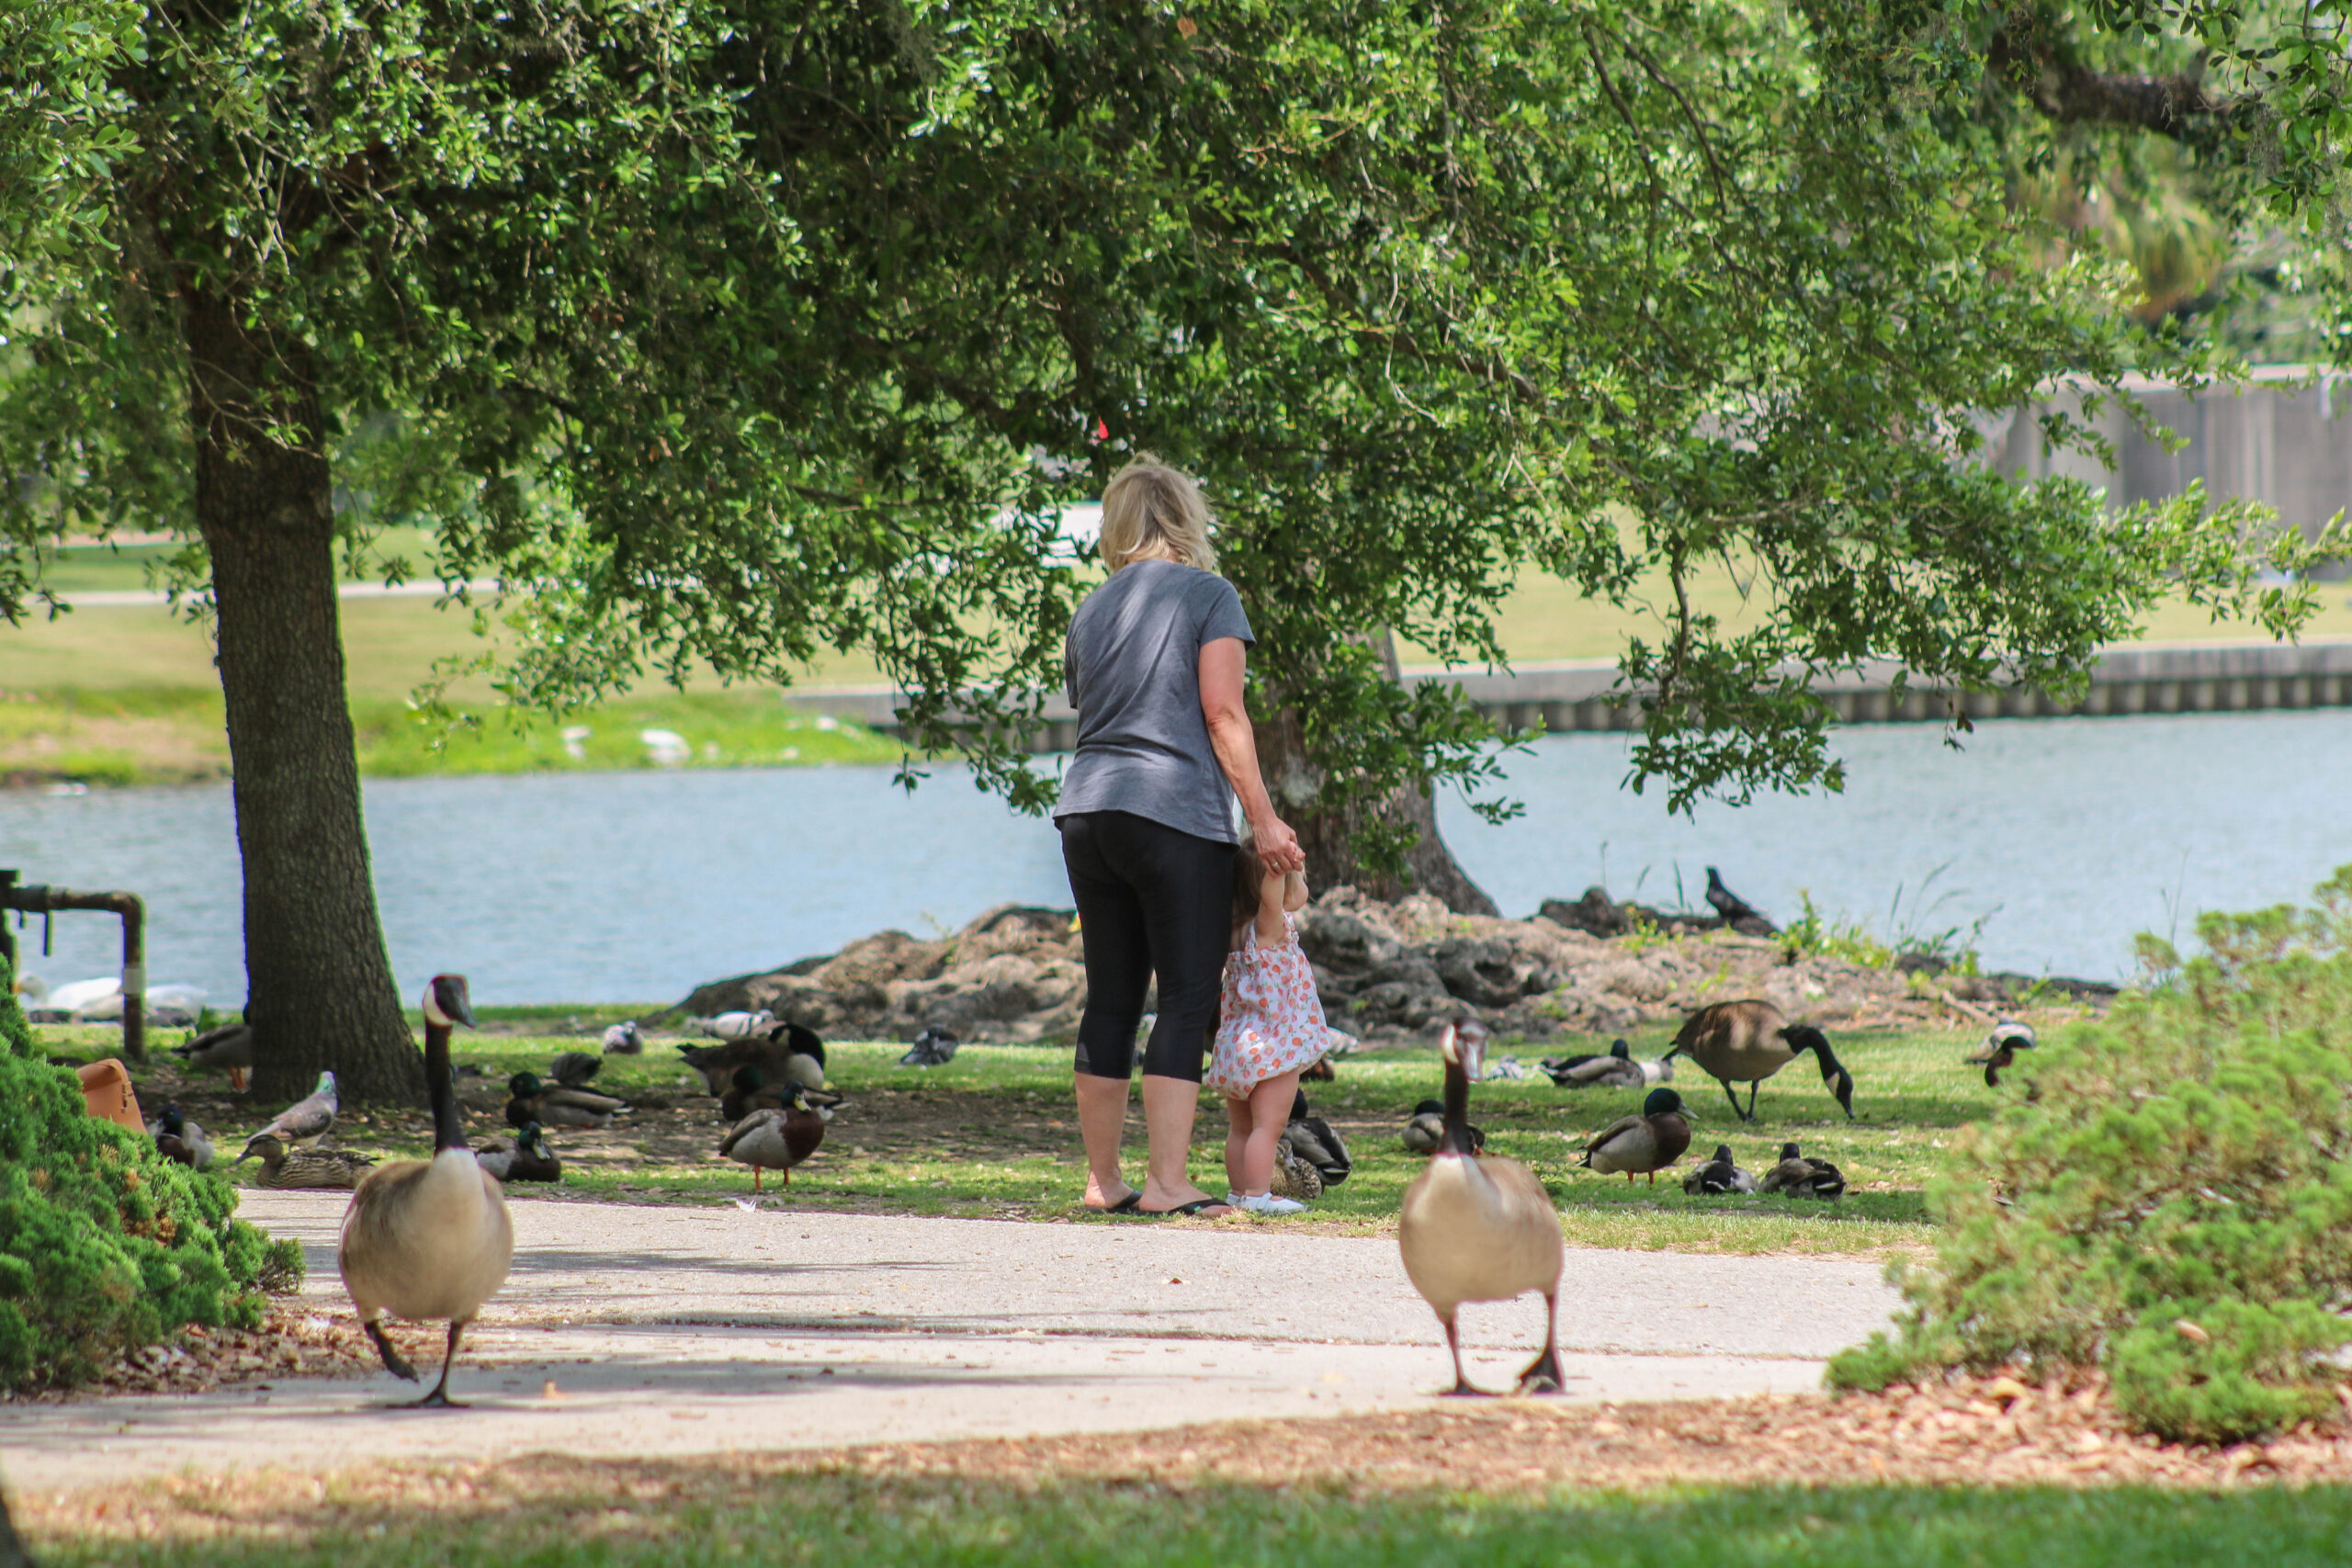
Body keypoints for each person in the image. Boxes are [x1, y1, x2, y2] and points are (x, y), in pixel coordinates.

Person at [1055, 456, 1304, 1217]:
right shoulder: (1209, 594)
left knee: (1112, 1000)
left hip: (1087, 812)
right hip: (1173, 814)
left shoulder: (1091, 609)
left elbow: (1093, 709)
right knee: (1186, 997)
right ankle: (1167, 1183)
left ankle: (1105, 1181)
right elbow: (1223, 713)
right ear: (1187, 517)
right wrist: (1263, 820)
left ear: (1118, 524)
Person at [1206, 842, 1324, 1214]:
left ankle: (1239, 1193)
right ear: (1278, 884)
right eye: (1300, 880)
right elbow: (1273, 896)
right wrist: (1278, 867)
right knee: (1267, 1129)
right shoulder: (1269, 926)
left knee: (1240, 1129)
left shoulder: (1236, 931)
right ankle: (1258, 1195)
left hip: (1236, 1046)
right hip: (1273, 1047)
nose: (1304, 887)